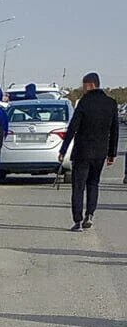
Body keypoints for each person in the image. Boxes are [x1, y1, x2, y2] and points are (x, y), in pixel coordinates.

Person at [58, 72, 119, 231]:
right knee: (93, 183)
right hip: (100, 152)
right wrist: (112, 153)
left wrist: (63, 149)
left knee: (78, 186)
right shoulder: (111, 103)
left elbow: (73, 127)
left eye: (83, 85)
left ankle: (77, 221)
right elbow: (114, 131)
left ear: (90, 85)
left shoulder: (84, 103)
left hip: (82, 152)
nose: (83, 88)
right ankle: (90, 214)